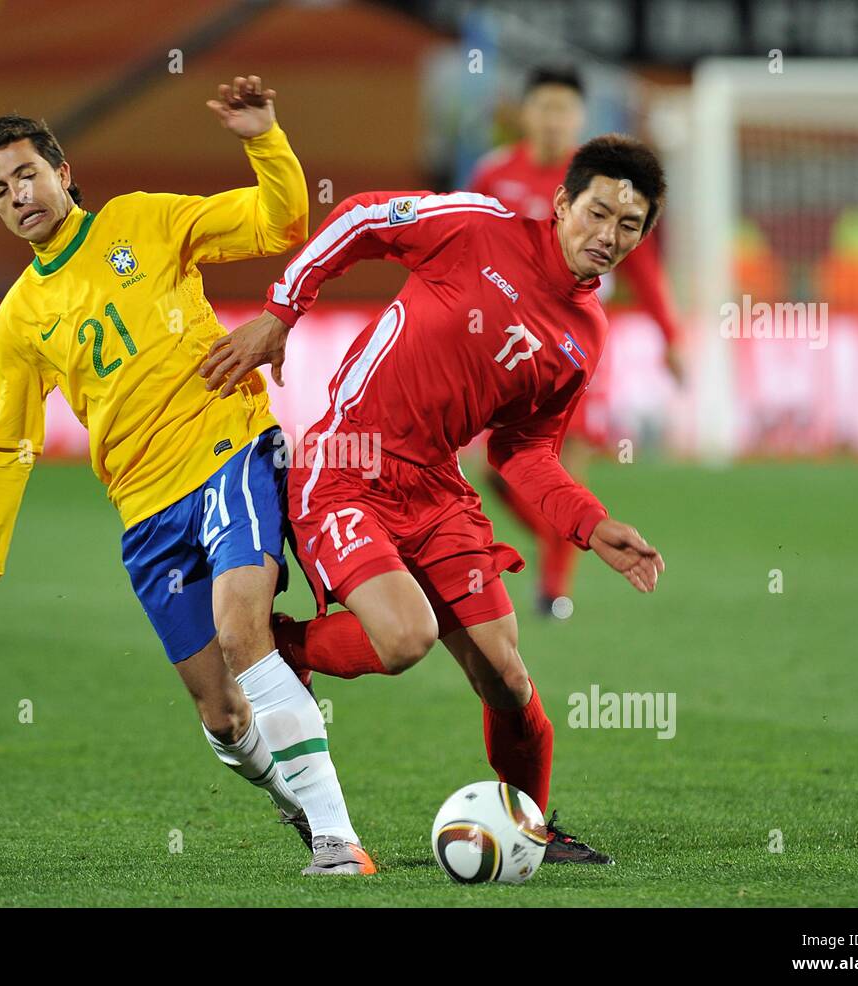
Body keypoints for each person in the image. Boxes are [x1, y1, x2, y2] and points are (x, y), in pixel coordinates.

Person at [0, 77, 374, 876]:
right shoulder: (19, 320)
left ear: (64, 172)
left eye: (27, 173)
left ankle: (340, 841)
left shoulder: (144, 219)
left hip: (227, 451)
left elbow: (279, 221)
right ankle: (303, 806)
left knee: (244, 630)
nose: (17, 196)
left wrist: (262, 140)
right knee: (221, 714)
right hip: (145, 513)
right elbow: (3, 452)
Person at [202, 135, 670, 864]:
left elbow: (524, 452)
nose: (608, 236)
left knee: (508, 679)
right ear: (561, 205)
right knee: (405, 638)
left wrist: (590, 522)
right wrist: (282, 311)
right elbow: (360, 219)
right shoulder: (479, 224)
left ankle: (531, 829)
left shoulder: (585, 335)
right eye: (597, 213)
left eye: (629, 225)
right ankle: (279, 647)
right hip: (346, 465)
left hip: (437, 489)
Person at [467, 66, 683, 616]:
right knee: (497, 467)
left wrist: (671, 334)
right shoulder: (495, 174)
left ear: (580, 118)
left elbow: (644, 265)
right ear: (526, 112)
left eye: (565, 109)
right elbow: (465, 241)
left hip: (573, 339)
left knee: (569, 458)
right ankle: (555, 537)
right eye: (545, 107)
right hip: (506, 341)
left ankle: (555, 589)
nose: (555, 119)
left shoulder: (604, 182)